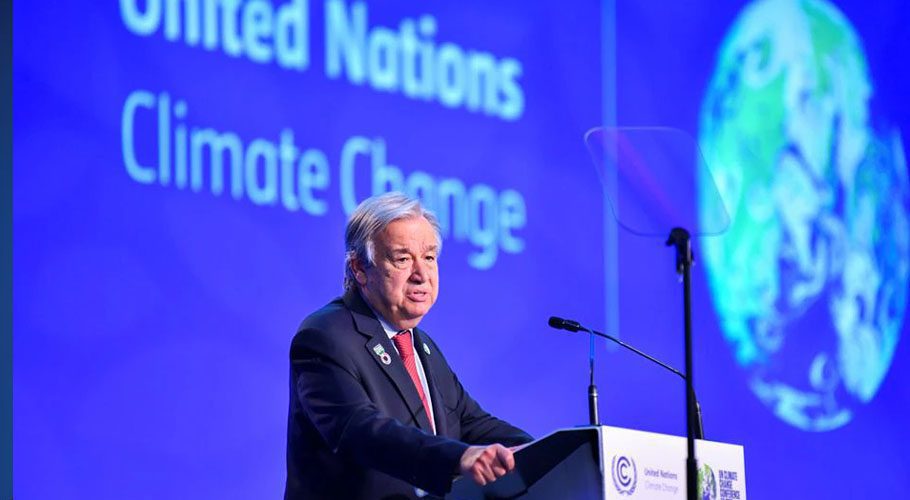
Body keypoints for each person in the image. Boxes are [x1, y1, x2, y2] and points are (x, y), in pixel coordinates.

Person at [285, 192, 533, 499]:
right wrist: (458, 458)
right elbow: (361, 431)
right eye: (402, 259)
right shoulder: (325, 336)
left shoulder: (421, 346)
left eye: (429, 258)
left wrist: (547, 450)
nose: (421, 275)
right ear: (360, 268)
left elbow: (470, 422)